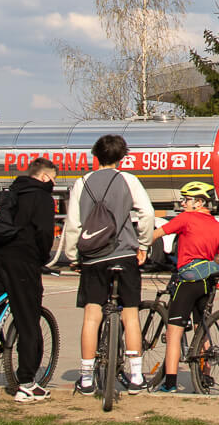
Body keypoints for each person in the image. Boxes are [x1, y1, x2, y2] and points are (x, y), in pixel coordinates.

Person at [62, 134, 155, 396]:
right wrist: (144, 244)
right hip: (124, 254)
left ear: (96, 155)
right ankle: (136, 376)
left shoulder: (81, 183)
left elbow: (73, 224)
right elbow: (147, 213)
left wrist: (73, 256)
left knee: (92, 315)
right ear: (122, 157)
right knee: (130, 314)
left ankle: (86, 378)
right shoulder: (128, 180)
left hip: (93, 257)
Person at [0, 157, 58, 403]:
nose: (53, 184)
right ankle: (26, 384)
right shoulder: (42, 197)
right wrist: (42, 258)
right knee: (27, 321)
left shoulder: (8, 194)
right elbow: (44, 233)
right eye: (53, 179)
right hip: (23, 261)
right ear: (44, 177)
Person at [143, 182, 219, 394]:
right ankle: (205, 378)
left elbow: (157, 234)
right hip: (207, 281)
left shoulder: (186, 218)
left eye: (186, 199)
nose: (182, 203)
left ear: (199, 202)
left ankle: (170, 383)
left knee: (174, 332)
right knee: (201, 328)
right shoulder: (216, 224)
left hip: (188, 281)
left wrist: (139, 247)